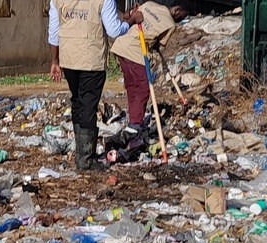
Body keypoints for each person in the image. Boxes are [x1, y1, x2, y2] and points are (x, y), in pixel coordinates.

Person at [48, 0, 143, 170]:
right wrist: (131, 21)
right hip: (91, 60)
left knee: (77, 102)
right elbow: (114, 30)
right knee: (88, 106)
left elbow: (53, 32)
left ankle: (81, 154)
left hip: (68, 58)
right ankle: (85, 159)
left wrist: (54, 60)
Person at [110, 0, 190, 135]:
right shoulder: (170, 24)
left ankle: (133, 120)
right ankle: (135, 124)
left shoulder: (149, 5)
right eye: (181, 16)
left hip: (121, 46)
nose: (180, 19)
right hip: (134, 52)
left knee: (132, 86)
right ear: (176, 10)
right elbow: (160, 44)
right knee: (143, 88)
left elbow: (127, 17)